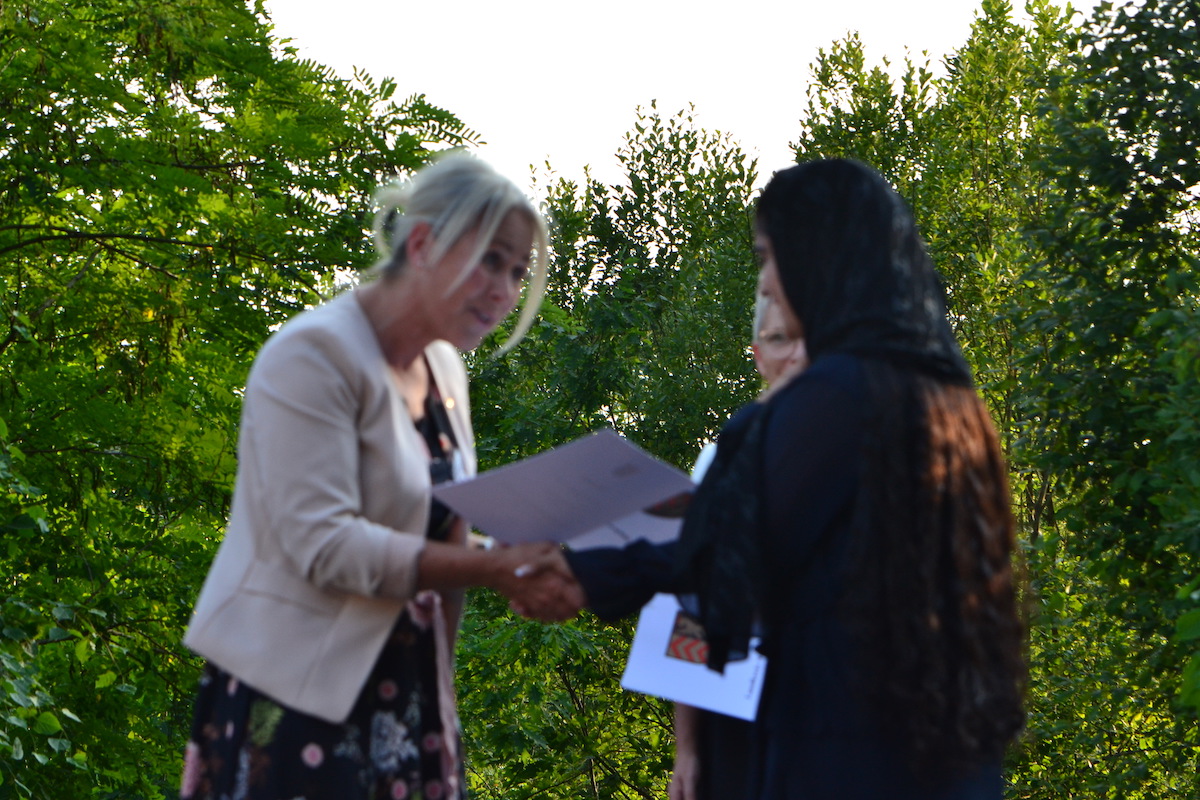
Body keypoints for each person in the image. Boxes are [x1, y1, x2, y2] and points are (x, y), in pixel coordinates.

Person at [561, 158, 1025, 799]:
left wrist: (578, 571)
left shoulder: (839, 395)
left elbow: (727, 547)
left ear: (817, 257)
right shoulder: (946, 395)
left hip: (845, 747)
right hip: (937, 745)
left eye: (767, 256)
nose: (767, 282)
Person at [179, 153, 583, 800]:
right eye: (490, 259)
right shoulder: (311, 355)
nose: (505, 290)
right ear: (421, 244)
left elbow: (432, 527)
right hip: (296, 700)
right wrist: (492, 567)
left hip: (409, 692)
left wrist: (524, 560)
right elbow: (325, 545)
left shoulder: (445, 370)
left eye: (517, 271)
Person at [671, 290, 807, 800]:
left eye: (807, 338)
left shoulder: (859, 452)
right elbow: (689, 609)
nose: (795, 355)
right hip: (731, 712)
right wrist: (687, 748)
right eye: (780, 339)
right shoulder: (717, 462)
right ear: (758, 355)